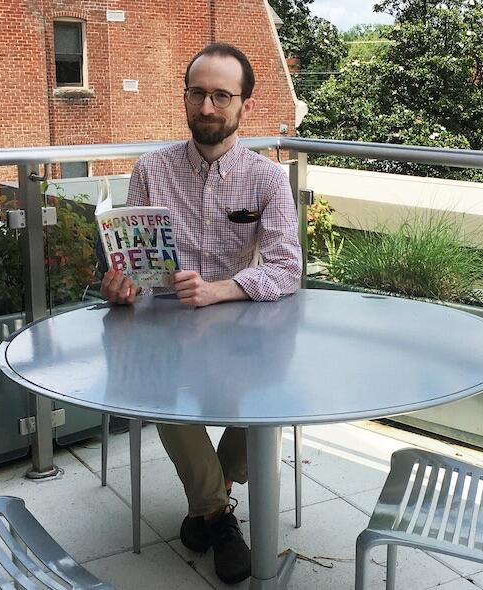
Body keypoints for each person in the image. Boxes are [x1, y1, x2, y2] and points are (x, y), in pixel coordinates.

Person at [100, 43, 301, 584]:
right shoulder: (151, 170)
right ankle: (218, 515)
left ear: (244, 105)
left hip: (239, 324)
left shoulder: (267, 179)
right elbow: (135, 265)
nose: (207, 107)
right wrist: (122, 285)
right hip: (166, 326)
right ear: (185, 97)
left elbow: (287, 269)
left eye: (221, 96)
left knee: (267, 396)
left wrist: (219, 290)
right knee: (162, 397)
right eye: (198, 93)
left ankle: (211, 504)